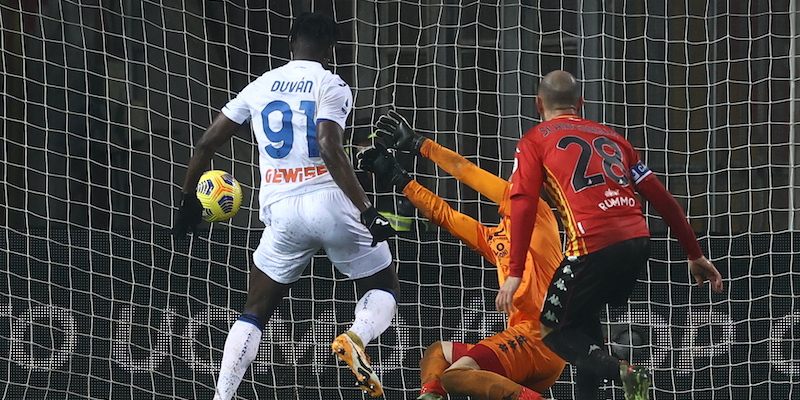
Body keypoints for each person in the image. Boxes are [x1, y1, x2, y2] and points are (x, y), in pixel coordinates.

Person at [172, 12, 399, 399]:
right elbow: (329, 146)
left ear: (290, 43)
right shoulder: (333, 84)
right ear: (331, 49)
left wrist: (187, 200)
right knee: (384, 286)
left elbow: (206, 144)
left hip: (282, 210)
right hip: (332, 204)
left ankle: (222, 396)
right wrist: (367, 209)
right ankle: (356, 336)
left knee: (254, 310)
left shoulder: (259, 86)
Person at [496, 70, 724, 400]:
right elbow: (662, 198)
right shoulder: (615, 139)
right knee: (584, 324)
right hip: (637, 242)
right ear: (581, 103)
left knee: (551, 329)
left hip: (592, 245)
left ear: (538, 104)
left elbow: (523, 204)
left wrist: (515, 274)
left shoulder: (534, 140)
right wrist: (694, 253)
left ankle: (625, 373)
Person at [358, 110, 566, 400]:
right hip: (528, 344)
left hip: (539, 335)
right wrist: (401, 180)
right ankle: (431, 397)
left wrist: (421, 145)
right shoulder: (495, 239)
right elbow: (444, 215)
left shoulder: (539, 214)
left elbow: (466, 171)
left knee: (455, 375)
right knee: (438, 353)